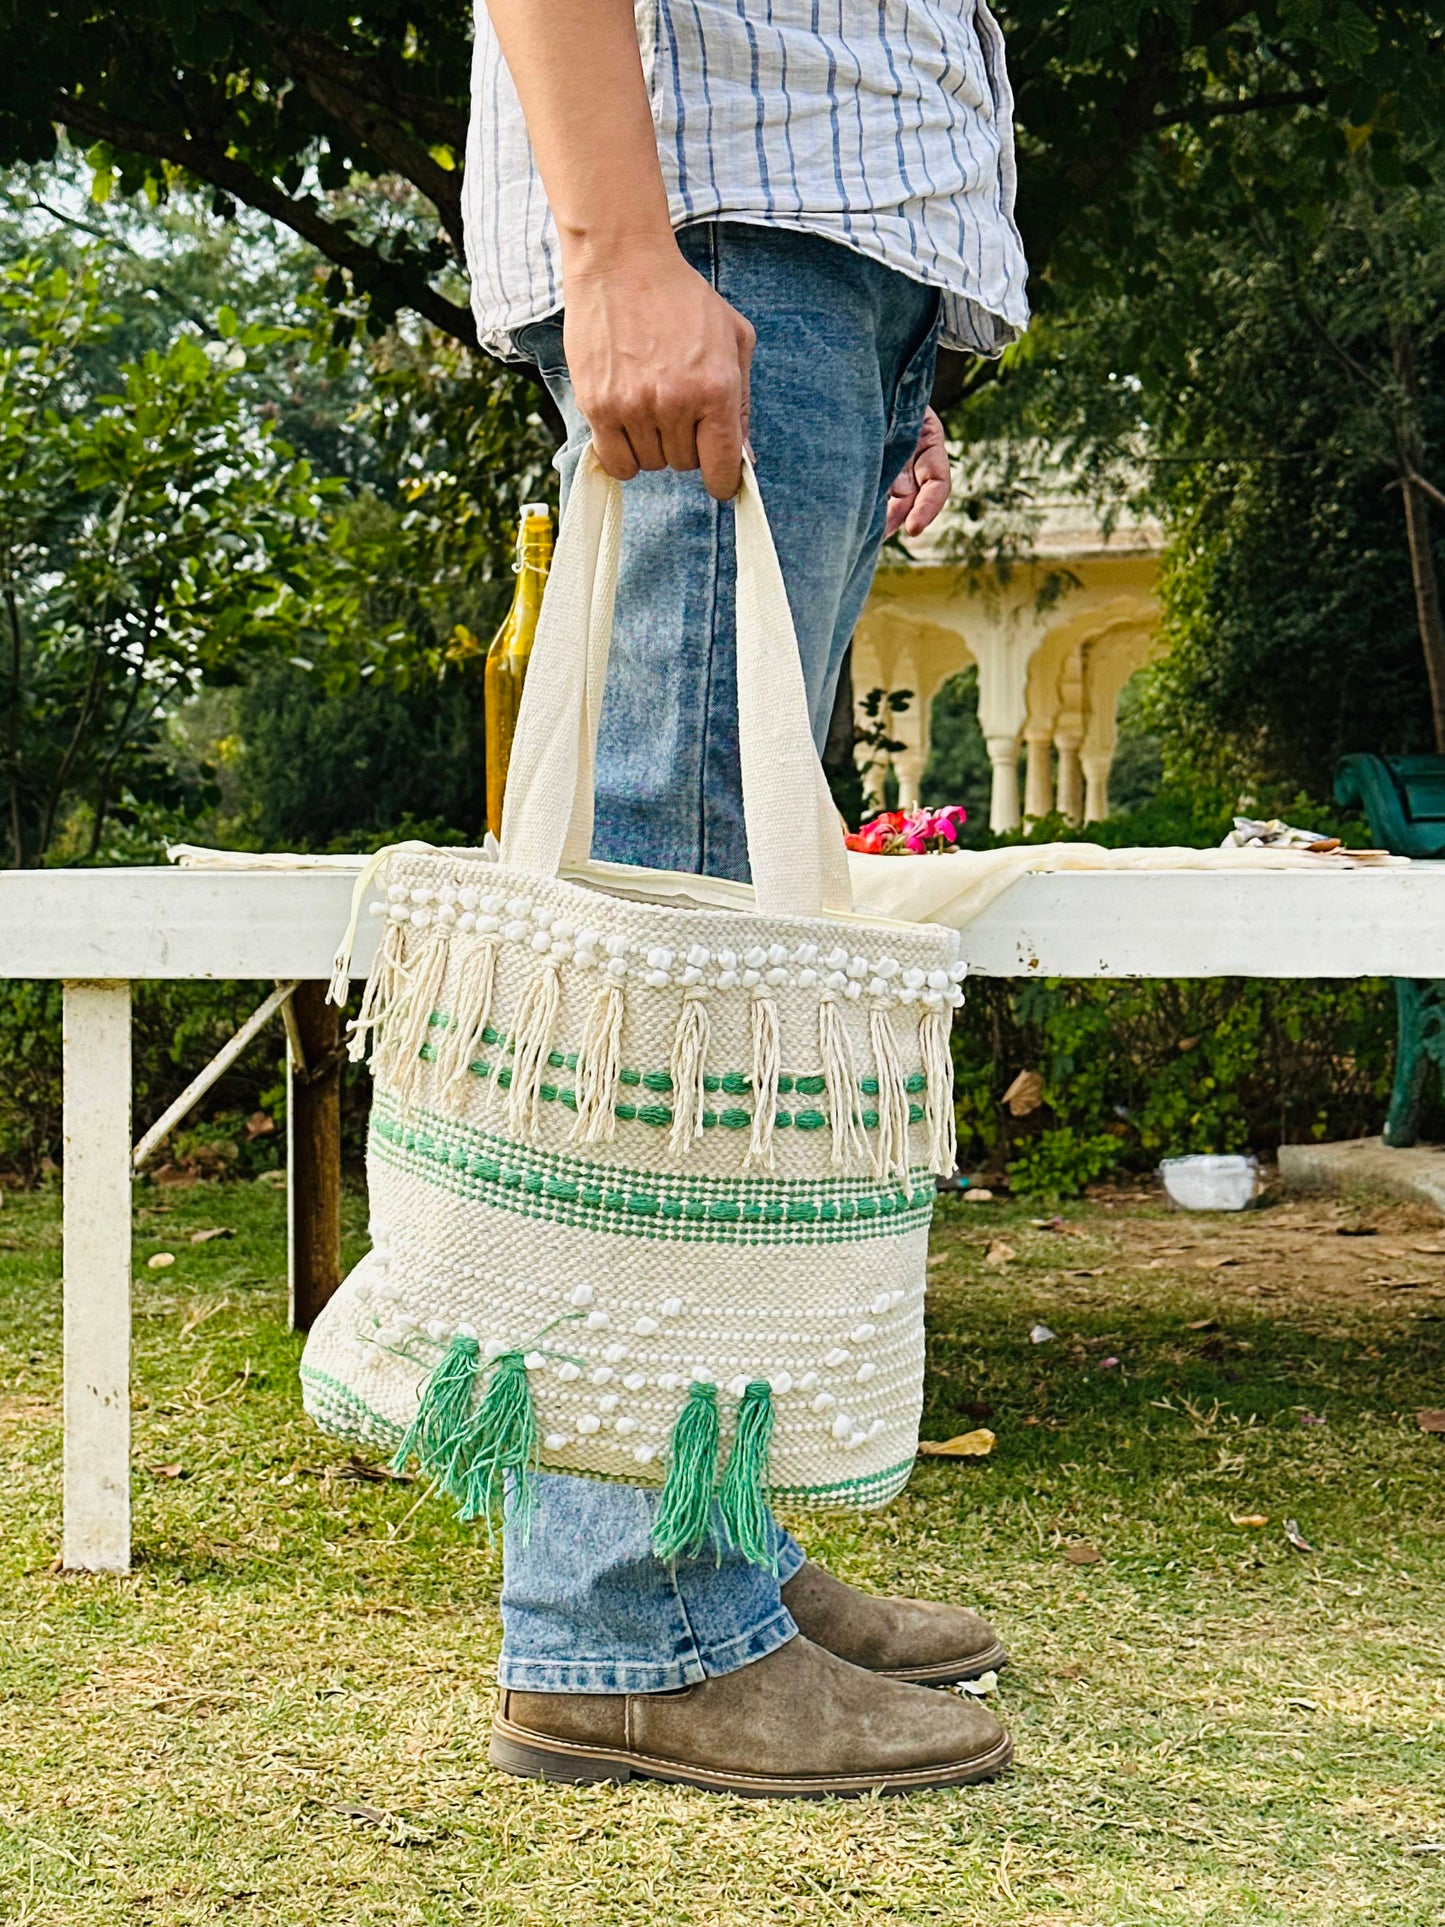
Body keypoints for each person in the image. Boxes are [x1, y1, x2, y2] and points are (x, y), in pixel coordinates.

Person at [465, 0, 1029, 1797]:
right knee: (680, 918)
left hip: (818, 250)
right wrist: (622, 249)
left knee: (744, 923)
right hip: (718, 217)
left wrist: (897, 359)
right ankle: (623, 1624)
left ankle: (715, 1550)